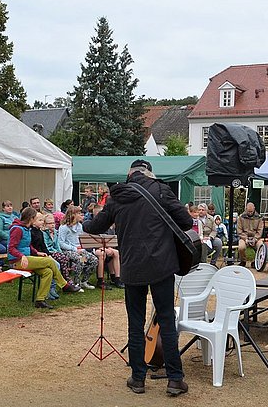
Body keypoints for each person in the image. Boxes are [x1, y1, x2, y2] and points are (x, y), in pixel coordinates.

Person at [83, 159, 191, 396]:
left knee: (135, 323)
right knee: (166, 321)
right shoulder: (162, 190)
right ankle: (174, 379)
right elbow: (186, 222)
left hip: (132, 267)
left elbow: (95, 226)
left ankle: (138, 378)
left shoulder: (117, 196)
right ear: (149, 174)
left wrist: (85, 220)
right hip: (162, 265)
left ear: (129, 174)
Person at [7, 207, 80, 309]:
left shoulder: (26, 228)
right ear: (31, 218)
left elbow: (28, 246)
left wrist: (37, 252)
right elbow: (11, 248)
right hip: (17, 261)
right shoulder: (17, 229)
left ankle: (40, 300)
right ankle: (64, 285)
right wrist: (21, 256)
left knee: (48, 272)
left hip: (26, 259)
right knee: (50, 261)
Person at [58, 206, 99, 290]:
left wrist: (83, 248)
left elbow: (80, 240)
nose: (82, 215)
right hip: (67, 251)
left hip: (80, 250)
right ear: (73, 215)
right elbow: (61, 243)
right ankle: (76, 283)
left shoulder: (79, 226)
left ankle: (84, 281)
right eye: (79, 213)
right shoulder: (64, 227)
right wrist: (75, 249)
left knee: (94, 260)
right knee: (80, 260)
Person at [236, 202, 264, 267]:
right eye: (249, 211)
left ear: (254, 209)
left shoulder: (259, 218)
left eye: (251, 211)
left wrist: (255, 238)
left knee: (261, 246)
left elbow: (260, 230)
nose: (250, 213)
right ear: (246, 209)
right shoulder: (241, 217)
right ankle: (243, 261)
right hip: (244, 237)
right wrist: (245, 239)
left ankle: (255, 261)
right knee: (241, 247)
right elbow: (239, 230)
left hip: (255, 237)